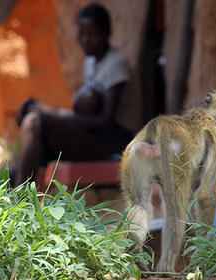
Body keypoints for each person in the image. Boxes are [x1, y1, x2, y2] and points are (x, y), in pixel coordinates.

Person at [12, 3, 143, 187]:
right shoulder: (90, 61)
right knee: (31, 143)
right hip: (96, 135)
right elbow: (87, 109)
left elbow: (105, 120)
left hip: (117, 141)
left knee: (36, 122)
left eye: (93, 34)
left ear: (107, 33)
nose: (85, 40)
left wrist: (58, 114)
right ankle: (7, 194)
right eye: (81, 33)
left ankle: (20, 197)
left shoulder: (116, 63)